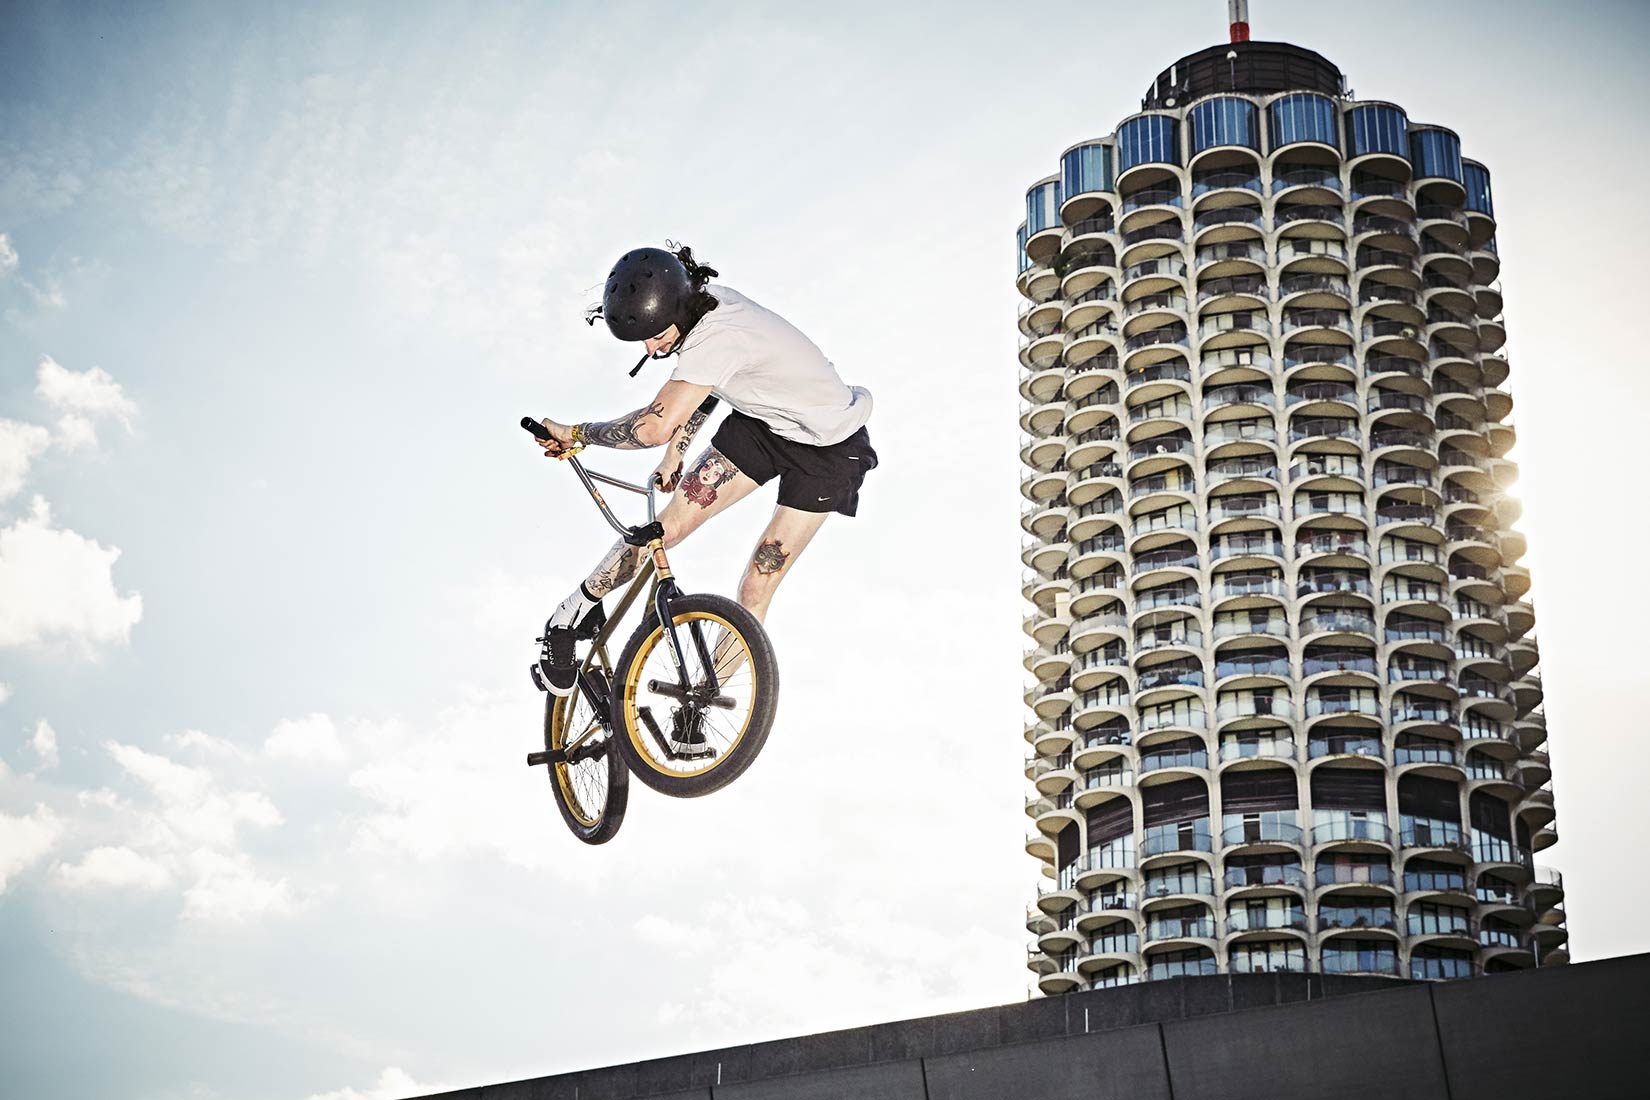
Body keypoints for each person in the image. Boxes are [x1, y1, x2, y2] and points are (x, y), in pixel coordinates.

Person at [533, 243, 876, 699]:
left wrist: (577, 432)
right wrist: (678, 451)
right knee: (664, 529)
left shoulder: (721, 332)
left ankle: (702, 700)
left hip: (832, 450)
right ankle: (571, 614)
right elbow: (710, 383)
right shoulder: (703, 305)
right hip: (764, 428)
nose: (653, 348)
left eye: (656, 335)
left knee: (759, 583)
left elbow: (653, 426)